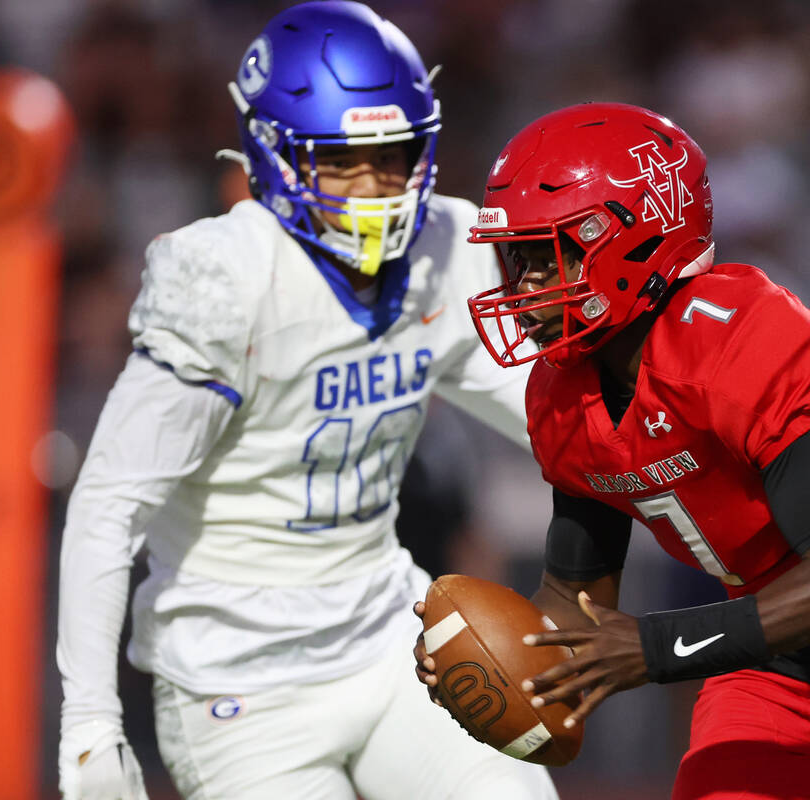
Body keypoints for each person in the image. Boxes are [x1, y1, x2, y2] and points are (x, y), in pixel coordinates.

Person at [416, 102, 810, 799]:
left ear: (634, 240)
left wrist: (654, 649)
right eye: (518, 258)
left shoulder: (738, 340)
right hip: (771, 672)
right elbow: (577, 602)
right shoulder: (560, 394)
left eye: (549, 253)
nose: (526, 286)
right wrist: (498, 659)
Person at [55, 3, 555, 799]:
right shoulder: (227, 281)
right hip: (240, 687)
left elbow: (557, 424)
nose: (375, 189)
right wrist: (89, 722)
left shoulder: (441, 250)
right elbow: (109, 507)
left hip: (390, 642)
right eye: (342, 161)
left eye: (392, 157)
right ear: (275, 157)